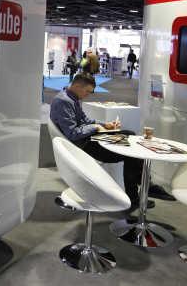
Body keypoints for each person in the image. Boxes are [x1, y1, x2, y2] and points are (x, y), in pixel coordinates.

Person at [50, 74, 174, 209]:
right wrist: (96, 127)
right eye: (88, 91)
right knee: (130, 154)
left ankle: (144, 184)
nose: (88, 95)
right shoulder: (64, 101)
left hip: (87, 138)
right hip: (83, 145)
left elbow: (85, 121)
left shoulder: (72, 98)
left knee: (130, 135)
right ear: (78, 86)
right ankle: (139, 192)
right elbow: (73, 133)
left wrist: (104, 125)